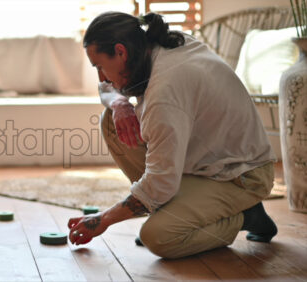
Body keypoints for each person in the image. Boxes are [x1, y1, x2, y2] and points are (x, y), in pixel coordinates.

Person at [67, 12, 278, 259]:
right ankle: (173, 212)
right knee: (113, 121)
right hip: (205, 160)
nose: (101, 77)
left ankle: (247, 216)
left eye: (100, 66)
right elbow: (107, 87)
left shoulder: (165, 92)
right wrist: (119, 103)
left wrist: (103, 219)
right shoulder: (161, 44)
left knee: (158, 237)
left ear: (121, 52)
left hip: (241, 175)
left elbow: (159, 183)